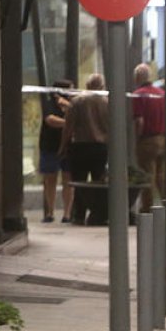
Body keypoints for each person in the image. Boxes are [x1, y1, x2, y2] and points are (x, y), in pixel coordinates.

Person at [61, 73, 109, 225]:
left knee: (79, 182)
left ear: (87, 85)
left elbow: (68, 127)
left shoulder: (77, 102)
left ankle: (78, 214)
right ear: (102, 86)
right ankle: (98, 214)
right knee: (99, 182)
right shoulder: (108, 102)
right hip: (101, 148)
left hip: (80, 147)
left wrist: (62, 146)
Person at [131, 63, 166, 213]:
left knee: (147, 176)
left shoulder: (138, 94)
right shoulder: (161, 93)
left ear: (138, 77)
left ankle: (148, 208)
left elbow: (139, 120)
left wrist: (137, 139)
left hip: (147, 140)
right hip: (162, 139)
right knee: (161, 175)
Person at [38, 79, 74, 223]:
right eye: (70, 90)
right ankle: (50, 213)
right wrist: (68, 123)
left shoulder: (71, 105)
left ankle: (67, 214)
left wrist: (69, 107)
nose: (72, 94)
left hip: (67, 145)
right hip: (50, 146)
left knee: (68, 180)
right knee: (50, 179)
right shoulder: (49, 104)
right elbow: (50, 120)